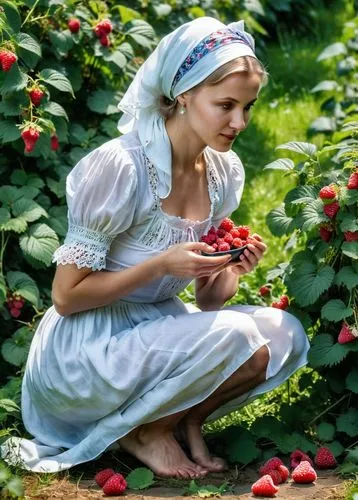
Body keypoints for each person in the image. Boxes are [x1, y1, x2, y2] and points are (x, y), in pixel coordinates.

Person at [1, 16, 309, 479]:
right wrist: (159, 265)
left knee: (284, 333)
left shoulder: (222, 172)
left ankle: (182, 421)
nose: (239, 122)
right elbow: (65, 297)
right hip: (87, 347)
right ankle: (145, 432)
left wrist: (229, 269)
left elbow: (208, 302)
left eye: (247, 107)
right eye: (225, 105)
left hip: (156, 328)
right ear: (183, 94)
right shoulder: (122, 168)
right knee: (241, 335)